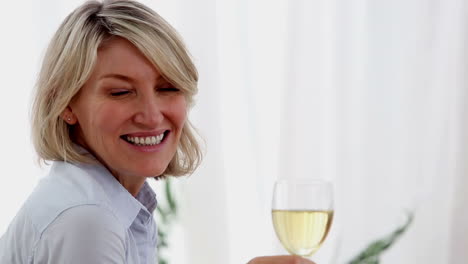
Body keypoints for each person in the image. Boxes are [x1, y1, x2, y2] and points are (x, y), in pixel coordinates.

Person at [0, 1, 315, 263]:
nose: (151, 116)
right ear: (64, 103)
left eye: (167, 88)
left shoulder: (103, 201)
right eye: (121, 92)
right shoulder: (88, 221)